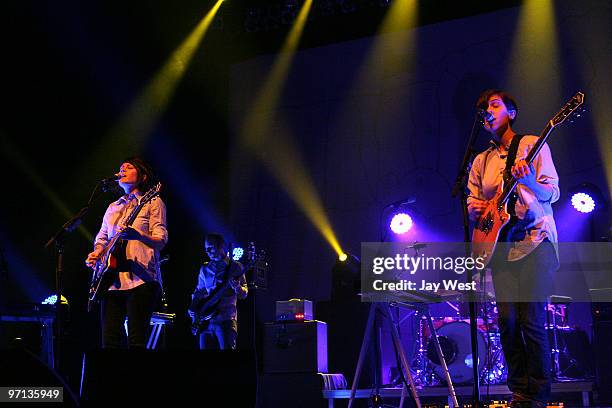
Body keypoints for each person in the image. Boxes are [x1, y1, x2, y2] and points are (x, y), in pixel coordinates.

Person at [467, 90, 560, 408]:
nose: (487, 111)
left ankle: (539, 394)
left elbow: (552, 192)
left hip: (535, 242)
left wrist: (529, 178)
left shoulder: (532, 144)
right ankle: (519, 391)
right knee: (506, 323)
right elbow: (472, 199)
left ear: (511, 112)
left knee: (530, 321)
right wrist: (476, 209)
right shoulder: (481, 160)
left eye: (494, 105)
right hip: (500, 248)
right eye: (484, 108)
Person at [85, 157, 168, 349]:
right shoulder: (113, 207)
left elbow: (161, 239)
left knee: (136, 341)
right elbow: (102, 238)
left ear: (142, 176)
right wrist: (97, 253)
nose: (122, 170)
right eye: (121, 168)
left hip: (142, 280)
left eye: (129, 167)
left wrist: (137, 234)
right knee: (109, 341)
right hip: (112, 281)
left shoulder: (152, 202)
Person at [189, 233, 248, 350]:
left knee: (226, 362)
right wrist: (192, 308)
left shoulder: (235, 267)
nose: (207, 251)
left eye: (210, 247)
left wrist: (237, 287)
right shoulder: (205, 269)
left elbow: (244, 294)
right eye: (206, 249)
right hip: (205, 321)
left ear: (220, 246)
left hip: (226, 319)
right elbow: (199, 292)